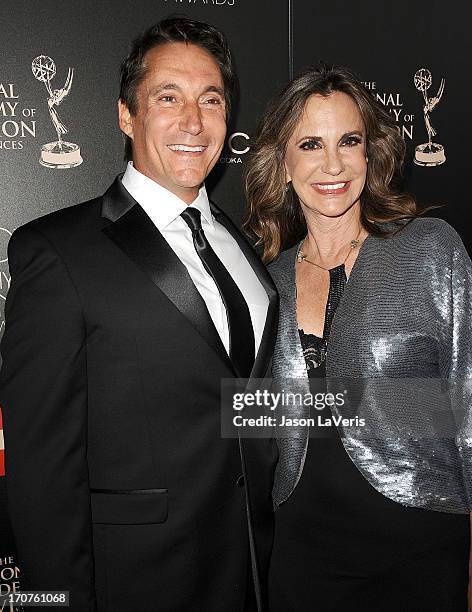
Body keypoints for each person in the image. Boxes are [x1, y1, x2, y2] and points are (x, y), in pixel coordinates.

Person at [0, 17, 278, 612]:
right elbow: (41, 477)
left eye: (211, 100)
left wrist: (400, 411)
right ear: (127, 115)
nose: (193, 122)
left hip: (250, 572)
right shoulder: (57, 251)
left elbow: (244, 405)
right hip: (136, 582)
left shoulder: (245, 248)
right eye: (167, 98)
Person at [244, 65, 471, 611]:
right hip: (301, 558)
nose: (333, 164)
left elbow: (465, 406)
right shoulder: (263, 280)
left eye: (349, 141)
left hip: (420, 553)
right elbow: (257, 417)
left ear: (371, 153)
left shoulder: (430, 250)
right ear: (283, 161)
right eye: (310, 144)